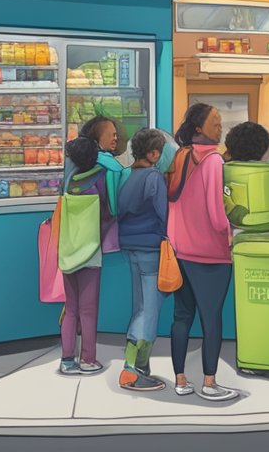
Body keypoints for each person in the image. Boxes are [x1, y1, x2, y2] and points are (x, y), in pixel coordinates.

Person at [168, 103, 239, 402]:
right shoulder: (213, 162)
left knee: (182, 316)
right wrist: (230, 234)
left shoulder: (179, 156)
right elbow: (215, 214)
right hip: (209, 254)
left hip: (179, 250)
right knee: (212, 320)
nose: (220, 127)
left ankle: (181, 380)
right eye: (215, 122)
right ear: (199, 127)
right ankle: (210, 382)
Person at [115, 128, 169, 392]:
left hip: (130, 246)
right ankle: (132, 370)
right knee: (150, 309)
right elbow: (162, 213)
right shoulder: (154, 177)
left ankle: (140, 365)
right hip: (151, 248)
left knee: (139, 305)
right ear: (154, 153)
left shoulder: (125, 175)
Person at [58, 137, 113, 377]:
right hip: (90, 252)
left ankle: (67, 360)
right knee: (88, 310)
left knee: (71, 309)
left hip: (68, 251)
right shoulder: (99, 178)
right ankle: (88, 360)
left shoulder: (68, 183)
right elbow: (110, 210)